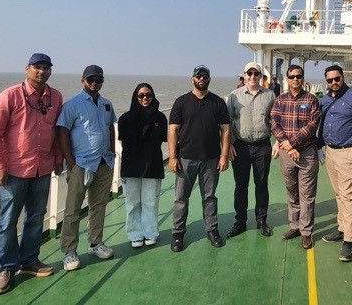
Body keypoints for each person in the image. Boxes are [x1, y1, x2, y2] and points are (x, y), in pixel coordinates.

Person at [0, 53, 63, 295]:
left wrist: (59, 159)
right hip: (14, 170)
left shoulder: (56, 97)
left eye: (46, 67)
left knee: (36, 216)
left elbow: (58, 130)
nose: (42, 71)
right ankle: (6, 268)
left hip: (43, 168)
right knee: (7, 220)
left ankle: (29, 260)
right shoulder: (10, 95)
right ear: (27, 69)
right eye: (37, 67)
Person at [56, 65, 116, 271]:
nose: (94, 82)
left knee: (98, 206)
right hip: (81, 164)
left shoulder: (106, 104)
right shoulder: (72, 104)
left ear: (102, 81)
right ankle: (69, 251)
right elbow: (62, 132)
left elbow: (110, 128)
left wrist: (112, 153)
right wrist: (70, 163)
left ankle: (95, 243)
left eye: (98, 79)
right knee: (73, 210)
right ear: (83, 80)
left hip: (104, 162)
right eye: (90, 79)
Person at [168, 65, 232, 252]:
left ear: (209, 79)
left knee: (209, 197)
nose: (201, 78)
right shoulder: (181, 102)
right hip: (185, 158)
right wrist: (172, 157)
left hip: (211, 159)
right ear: (192, 78)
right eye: (198, 76)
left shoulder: (218, 102)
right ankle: (178, 233)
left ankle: (212, 230)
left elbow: (225, 131)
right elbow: (173, 130)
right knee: (180, 198)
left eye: (205, 76)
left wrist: (224, 155)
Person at [318, 65, 352, 262]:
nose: (333, 83)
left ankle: (349, 241)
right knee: (338, 193)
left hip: (348, 152)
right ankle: (341, 228)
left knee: (348, 196)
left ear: (343, 77)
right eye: (329, 80)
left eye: (336, 79)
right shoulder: (324, 99)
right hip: (330, 152)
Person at [269, 64, 321, 249]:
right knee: (292, 192)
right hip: (287, 154)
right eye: (292, 76)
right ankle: (294, 226)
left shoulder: (312, 100)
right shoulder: (280, 100)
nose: (295, 79)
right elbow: (274, 123)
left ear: (303, 78)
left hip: (306, 154)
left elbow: (312, 126)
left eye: (298, 76)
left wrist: (292, 143)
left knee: (307, 195)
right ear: (287, 78)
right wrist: (287, 145)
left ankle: (306, 231)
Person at [226, 62, 276, 238]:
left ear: (261, 76)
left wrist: (277, 141)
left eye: (256, 74)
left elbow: (275, 120)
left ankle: (261, 220)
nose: (253, 77)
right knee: (241, 186)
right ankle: (240, 221)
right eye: (250, 73)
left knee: (261, 185)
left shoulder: (270, 95)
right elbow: (227, 122)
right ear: (244, 75)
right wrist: (229, 144)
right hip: (240, 146)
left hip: (262, 146)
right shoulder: (234, 96)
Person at [118, 83, 167, 248]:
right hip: (131, 166)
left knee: (150, 202)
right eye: (141, 95)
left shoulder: (160, 118)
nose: (145, 98)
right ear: (135, 97)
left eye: (148, 95)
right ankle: (135, 234)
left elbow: (164, 138)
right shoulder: (125, 119)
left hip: (152, 165)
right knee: (132, 203)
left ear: (153, 96)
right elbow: (123, 142)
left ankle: (150, 232)